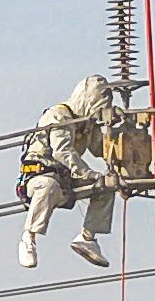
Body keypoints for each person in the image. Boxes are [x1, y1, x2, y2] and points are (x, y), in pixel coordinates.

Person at [18, 74, 120, 268]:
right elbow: (63, 152)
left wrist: (120, 140)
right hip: (41, 175)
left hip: (67, 179)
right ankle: (28, 238)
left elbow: (102, 148)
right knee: (48, 187)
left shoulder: (87, 123)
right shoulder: (59, 116)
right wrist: (89, 174)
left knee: (106, 186)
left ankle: (87, 239)